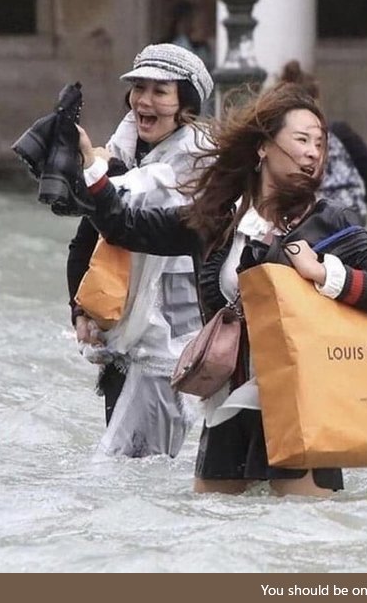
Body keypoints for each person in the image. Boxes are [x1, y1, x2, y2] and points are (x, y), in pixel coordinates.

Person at [75, 82, 367, 496]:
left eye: (319, 144)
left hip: (301, 410)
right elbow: (125, 226)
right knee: (218, 537)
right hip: (224, 410)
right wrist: (91, 167)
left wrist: (323, 272)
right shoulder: (219, 220)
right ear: (264, 147)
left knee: (304, 540)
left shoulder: (329, 222)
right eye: (301, 140)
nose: (312, 153)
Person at [67, 43, 214, 457]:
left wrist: (93, 171)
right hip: (119, 342)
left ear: (185, 102)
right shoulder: (122, 151)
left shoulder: (197, 166)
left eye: (160, 90)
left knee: (134, 475)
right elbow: (87, 239)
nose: (144, 101)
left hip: (170, 354)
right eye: (138, 88)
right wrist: (80, 311)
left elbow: (121, 218)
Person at [279, 60, 367, 223]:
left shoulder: (281, 141)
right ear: (316, 100)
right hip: (349, 218)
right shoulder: (338, 133)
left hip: (309, 221)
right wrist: (351, 201)